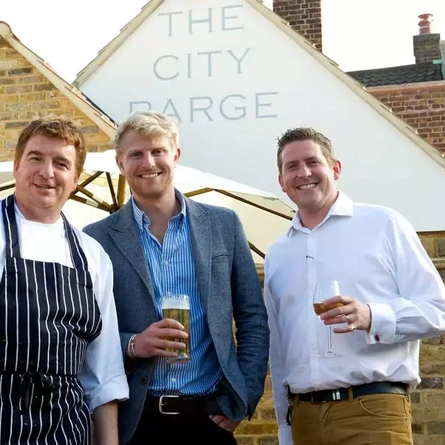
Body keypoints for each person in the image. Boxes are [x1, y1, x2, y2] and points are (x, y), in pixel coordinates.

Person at [83, 111, 269, 445]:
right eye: (136, 154)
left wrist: (243, 396)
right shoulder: (95, 238)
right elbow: (88, 329)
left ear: (176, 156)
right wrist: (133, 344)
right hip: (135, 420)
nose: (148, 162)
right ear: (120, 163)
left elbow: (252, 316)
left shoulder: (223, 225)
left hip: (209, 415)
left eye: (158, 151)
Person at [264, 127, 445, 445]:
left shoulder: (383, 225)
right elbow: (280, 350)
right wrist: (284, 427)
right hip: (303, 417)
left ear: (335, 168)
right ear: (281, 181)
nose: (304, 172)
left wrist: (373, 316)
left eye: (313, 162)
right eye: (292, 166)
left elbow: (438, 310)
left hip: (372, 411)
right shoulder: (278, 253)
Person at [0, 117, 129, 444]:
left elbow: (104, 373)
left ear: (75, 179)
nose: (47, 172)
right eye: (35, 158)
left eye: (61, 163)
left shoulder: (93, 255)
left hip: (66, 430)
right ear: (16, 166)